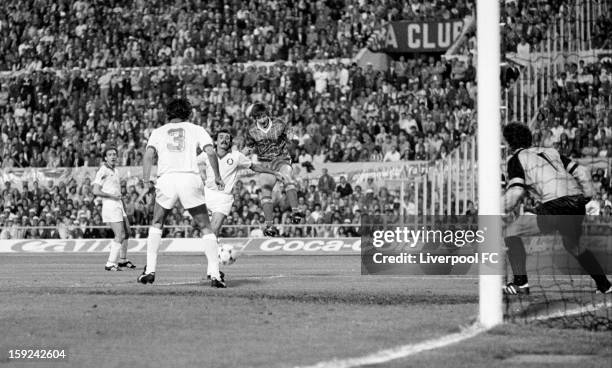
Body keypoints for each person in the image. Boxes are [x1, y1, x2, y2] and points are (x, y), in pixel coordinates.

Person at [502, 123, 611, 295]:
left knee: (511, 231)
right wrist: (588, 196)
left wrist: (495, 208)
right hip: (576, 204)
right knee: (573, 246)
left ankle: (520, 283)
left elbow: (516, 192)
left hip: (555, 205)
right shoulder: (551, 152)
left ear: (509, 144)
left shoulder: (516, 159)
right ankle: (605, 285)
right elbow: (582, 171)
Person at [138, 98, 226, 288]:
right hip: (189, 178)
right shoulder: (196, 129)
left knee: (157, 223)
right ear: (188, 113)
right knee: (205, 227)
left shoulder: (158, 132)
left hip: (167, 179)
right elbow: (211, 152)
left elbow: (148, 155)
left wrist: (146, 180)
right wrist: (217, 176)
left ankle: (149, 271)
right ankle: (215, 274)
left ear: (168, 113)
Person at [198, 129, 286, 278]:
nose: (224, 140)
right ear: (216, 141)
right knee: (210, 235)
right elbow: (192, 163)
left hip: (224, 198)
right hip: (207, 195)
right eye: (221, 137)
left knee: (214, 231)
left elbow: (255, 167)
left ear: (230, 142)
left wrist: (274, 173)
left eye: (227, 138)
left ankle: (212, 271)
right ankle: (212, 268)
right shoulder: (206, 154)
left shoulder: (237, 156)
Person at [243, 102, 303, 236]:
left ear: (267, 114)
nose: (262, 120)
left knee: (287, 176)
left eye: (264, 116)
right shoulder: (251, 131)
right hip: (265, 163)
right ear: (255, 118)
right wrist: (239, 156)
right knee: (265, 189)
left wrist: (294, 138)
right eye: (259, 117)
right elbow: (249, 147)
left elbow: (290, 133)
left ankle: (296, 211)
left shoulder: (279, 123)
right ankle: (269, 226)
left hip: (281, 158)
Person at [92, 147, 136, 271]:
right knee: (120, 234)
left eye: (115, 154)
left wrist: (122, 203)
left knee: (127, 232)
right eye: (110, 154)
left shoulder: (115, 170)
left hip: (118, 204)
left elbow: (115, 190)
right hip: (111, 205)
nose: (113, 156)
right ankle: (110, 263)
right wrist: (112, 196)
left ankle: (122, 260)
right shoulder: (103, 170)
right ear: (105, 158)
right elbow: (95, 190)